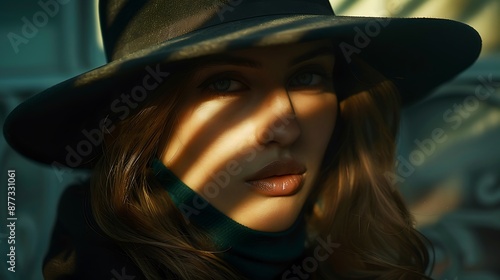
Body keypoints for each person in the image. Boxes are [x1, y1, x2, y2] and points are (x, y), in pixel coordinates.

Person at [3, 0, 482, 279]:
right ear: (142, 119)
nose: (286, 126)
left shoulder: (356, 244)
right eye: (225, 83)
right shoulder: (93, 263)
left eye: (309, 76)